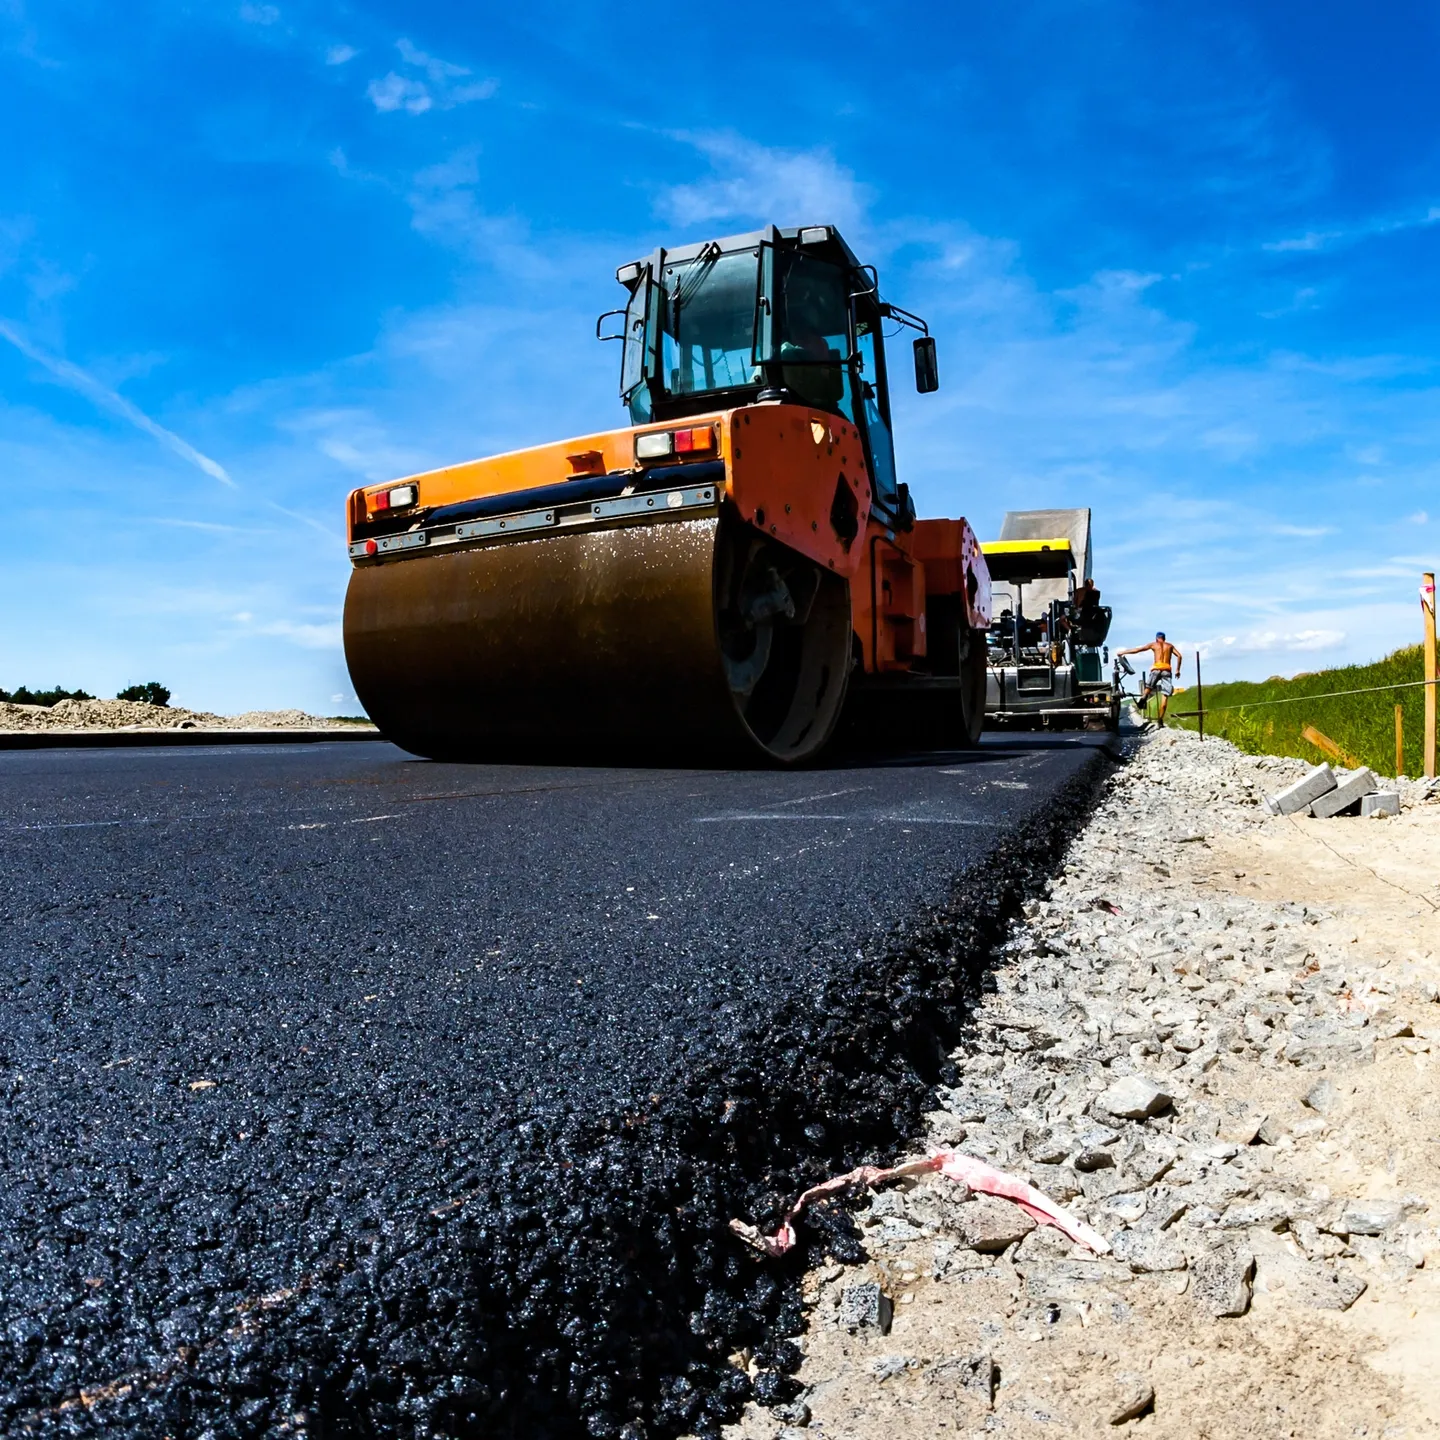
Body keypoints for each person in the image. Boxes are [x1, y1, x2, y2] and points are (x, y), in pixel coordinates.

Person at [1117, 631, 1182, 725]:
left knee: (1149, 687)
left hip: (1156, 669)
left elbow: (1138, 650)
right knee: (1165, 695)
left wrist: (1123, 652)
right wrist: (1177, 670)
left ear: (1156, 638)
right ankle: (1160, 720)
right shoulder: (1170, 646)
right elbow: (1179, 656)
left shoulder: (1154, 645)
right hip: (1166, 670)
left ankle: (1143, 698)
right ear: (1164, 638)